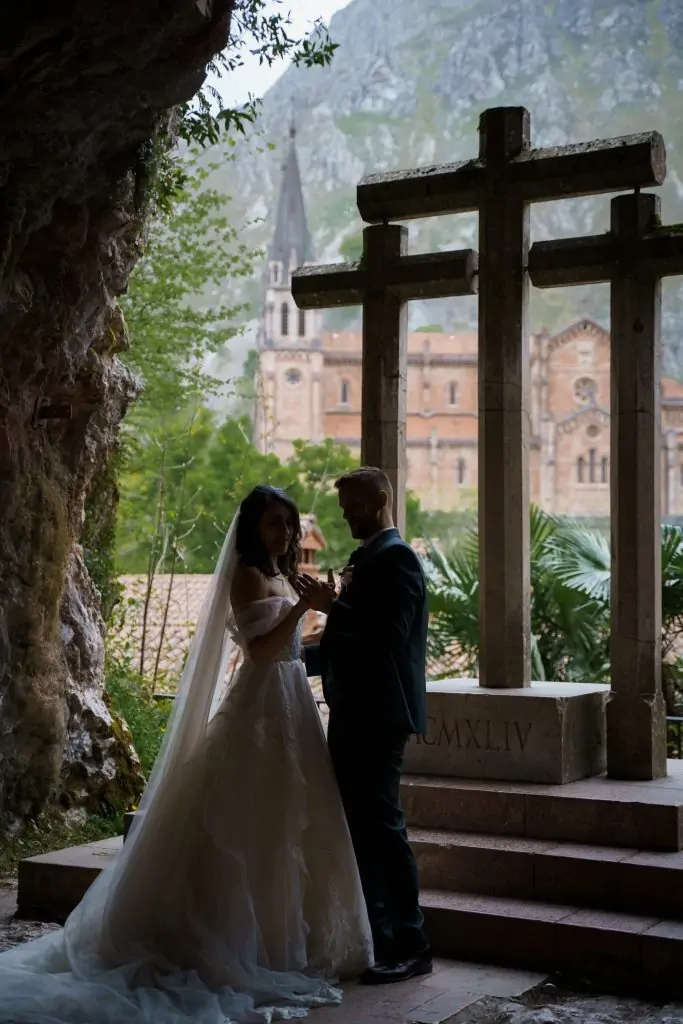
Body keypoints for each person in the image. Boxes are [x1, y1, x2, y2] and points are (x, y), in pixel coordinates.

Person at [0, 485, 373, 1023]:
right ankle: (233, 944)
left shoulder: (284, 575)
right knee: (244, 825)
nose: (285, 534)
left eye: (289, 524)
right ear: (253, 529)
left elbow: (295, 651)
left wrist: (324, 609)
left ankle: (286, 941)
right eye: (274, 524)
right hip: (260, 707)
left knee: (289, 824)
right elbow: (262, 651)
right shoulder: (248, 575)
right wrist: (302, 608)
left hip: (293, 703)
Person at [293, 467, 431, 986]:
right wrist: (287, 658)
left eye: (353, 506)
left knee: (382, 829)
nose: (346, 515)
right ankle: (380, 936)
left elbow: (388, 640)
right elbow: (346, 639)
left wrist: (335, 607)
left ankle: (410, 944)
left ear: (379, 499)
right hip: (354, 711)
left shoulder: (398, 560)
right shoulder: (364, 558)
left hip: (379, 714)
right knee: (362, 830)